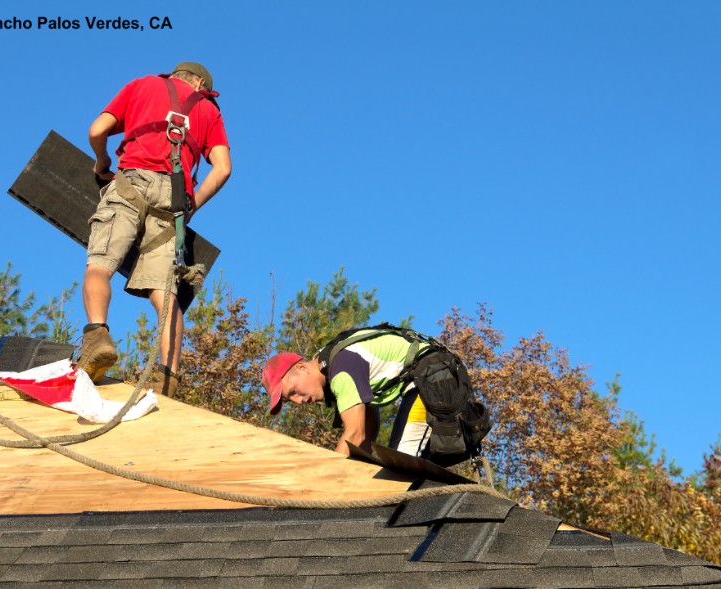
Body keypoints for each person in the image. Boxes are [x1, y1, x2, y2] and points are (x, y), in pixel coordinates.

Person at [79, 62, 231, 397]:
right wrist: (190, 207)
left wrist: (101, 161)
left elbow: (96, 130)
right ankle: (167, 378)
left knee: (100, 266)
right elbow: (222, 169)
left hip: (131, 182)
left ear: (174, 75)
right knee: (166, 295)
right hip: (173, 201)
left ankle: (97, 336)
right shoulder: (208, 110)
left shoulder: (143, 85)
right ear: (201, 84)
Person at [262, 326, 490, 462]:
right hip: (432, 376)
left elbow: (355, 432)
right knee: (401, 464)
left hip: (431, 380)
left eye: (293, 391)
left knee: (404, 464)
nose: (298, 400)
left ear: (302, 368)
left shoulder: (340, 369)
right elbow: (366, 430)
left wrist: (328, 480)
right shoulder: (332, 365)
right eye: (289, 399)